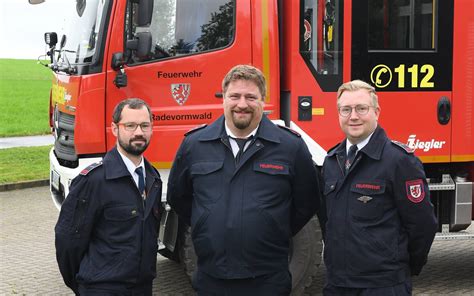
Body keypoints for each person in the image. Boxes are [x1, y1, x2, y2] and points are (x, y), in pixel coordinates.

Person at [167, 64, 322, 295]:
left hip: (268, 279)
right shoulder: (194, 145)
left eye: (251, 97)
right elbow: (179, 198)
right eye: (235, 96)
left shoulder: (290, 146)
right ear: (224, 99)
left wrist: (272, 226)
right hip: (212, 277)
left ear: (263, 100)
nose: (242, 104)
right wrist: (206, 222)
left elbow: (306, 202)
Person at [321, 80, 437, 295]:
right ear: (338, 114)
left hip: (382, 285)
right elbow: (327, 221)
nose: (353, 116)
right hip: (338, 284)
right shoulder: (331, 161)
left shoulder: (399, 161)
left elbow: (423, 225)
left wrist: (403, 268)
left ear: (376, 112)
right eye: (345, 109)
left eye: (361, 108)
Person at [55, 98, 162, 295]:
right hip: (103, 288)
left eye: (144, 125)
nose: (139, 132)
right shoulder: (94, 181)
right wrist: (85, 285)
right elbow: (68, 241)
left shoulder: (153, 178)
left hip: (142, 288)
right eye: (130, 126)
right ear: (115, 128)